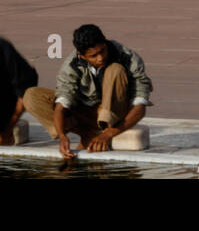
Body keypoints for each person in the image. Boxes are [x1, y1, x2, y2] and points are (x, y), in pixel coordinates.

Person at [24, 23, 152, 157]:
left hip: (115, 114)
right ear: (82, 55)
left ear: (105, 42)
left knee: (116, 69)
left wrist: (108, 134)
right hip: (86, 113)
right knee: (32, 96)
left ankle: (101, 132)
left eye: (102, 51)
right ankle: (88, 135)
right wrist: (62, 136)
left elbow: (140, 107)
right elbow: (61, 106)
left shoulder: (128, 57)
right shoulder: (72, 65)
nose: (100, 58)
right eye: (93, 55)